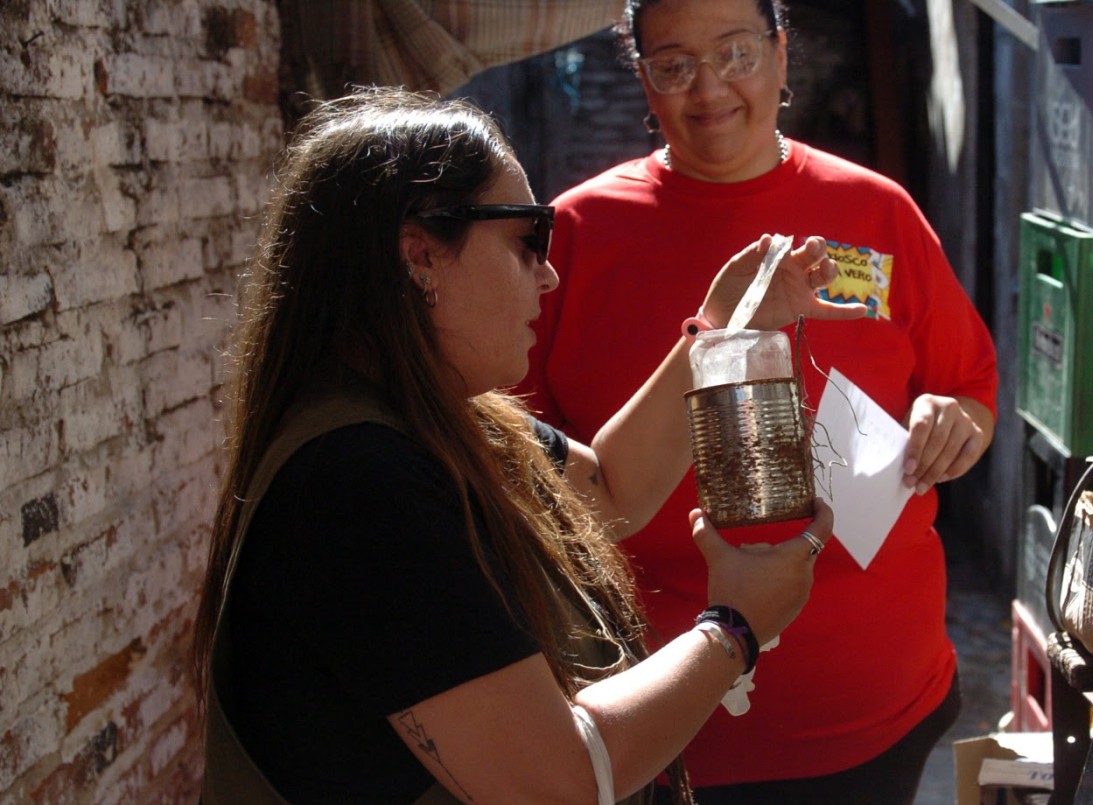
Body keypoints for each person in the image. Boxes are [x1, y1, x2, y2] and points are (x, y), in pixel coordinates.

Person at [191, 86, 867, 804]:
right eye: (526, 240)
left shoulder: (447, 418)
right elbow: (558, 784)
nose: (546, 274)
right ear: (420, 255)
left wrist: (724, 322)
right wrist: (734, 627)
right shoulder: (358, 482)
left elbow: (609, 490)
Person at [518, 1, 1000, 802]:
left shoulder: (876, 215)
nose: (709, 89)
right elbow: (523, 467)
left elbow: (968, 386)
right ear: (644, 79)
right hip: (663, 720)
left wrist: (954, 422)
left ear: (781, 54)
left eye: (736, 53)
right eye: (674, 65)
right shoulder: (575, 237)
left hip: (877, 704)